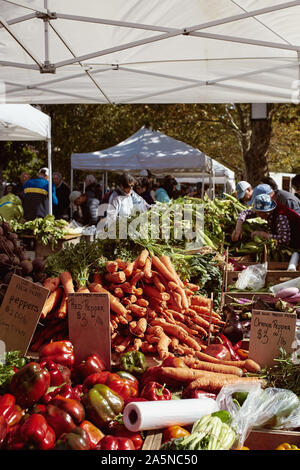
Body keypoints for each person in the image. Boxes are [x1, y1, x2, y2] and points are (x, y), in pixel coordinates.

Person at [232, 193, 300, 250]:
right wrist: (238, 227)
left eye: (260, 213)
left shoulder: (280, 216)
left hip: (296, 241)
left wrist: (264, 235)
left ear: (268, 211)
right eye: (257, 212)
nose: (257, 215)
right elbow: (245, 213)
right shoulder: (263, 209)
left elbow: (285, 239)